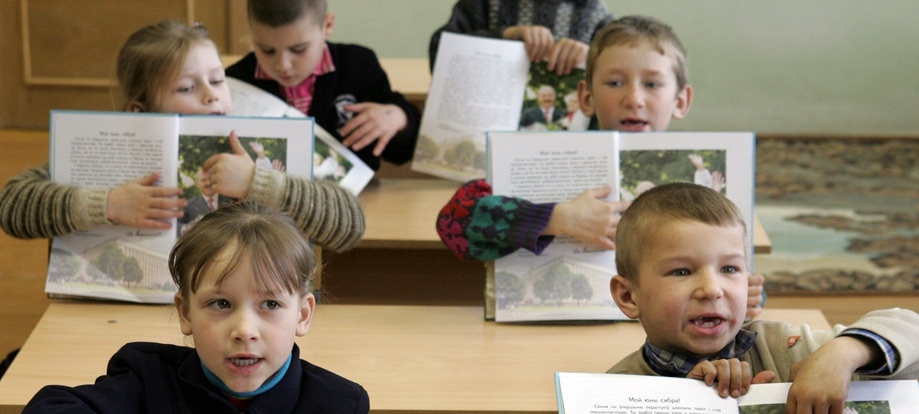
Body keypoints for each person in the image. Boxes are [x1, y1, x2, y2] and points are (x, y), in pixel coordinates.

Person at [13, 202, 377, 414]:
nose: (245, 330)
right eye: (220, 304)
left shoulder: (337, 405)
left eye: (270, 304)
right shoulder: (147, 374)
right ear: (185, 312)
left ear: (303, 314)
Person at [434, 15, 766, 316]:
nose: (633, 98)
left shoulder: (698, 189)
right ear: (586, 97)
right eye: (615, 83)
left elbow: (737, 275)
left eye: (652, 84)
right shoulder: (540, 158)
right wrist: (556, 218)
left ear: (680, 101)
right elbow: (454, 224)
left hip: (665, 342)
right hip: (552, 326)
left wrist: (749, 295)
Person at [606, 182, 919, 414]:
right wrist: (685, 403)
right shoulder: (612, 394)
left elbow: (918, 333)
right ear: (627, 296)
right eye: (681, 271)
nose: (711, 289)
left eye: (729, 269)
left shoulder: (785, 348)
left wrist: (842, 355)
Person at [0, 19, 364, 254]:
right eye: (188, 87)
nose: (211, 94)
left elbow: (350, 225)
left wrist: (259, 182)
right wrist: (108, 204)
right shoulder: (111, 147)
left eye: (218, 80)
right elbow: (12, 207)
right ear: (139, 111)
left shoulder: (259, 141)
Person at [225, 0, 421, 172]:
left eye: (298, 50)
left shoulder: (359, 65)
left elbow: (401, 153)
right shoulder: (236, 79)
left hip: (353, 205)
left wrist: (399, 118)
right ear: (249, 25)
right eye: (267, 50)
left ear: (327, 25)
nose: (282, 65)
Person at [428, 0, 614, 75]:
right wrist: (504, 35)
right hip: (486, 132)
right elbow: (440, 53)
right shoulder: (483, 3)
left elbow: (621, 72)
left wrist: (591, 57)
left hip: (567, 147)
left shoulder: (594, 12)